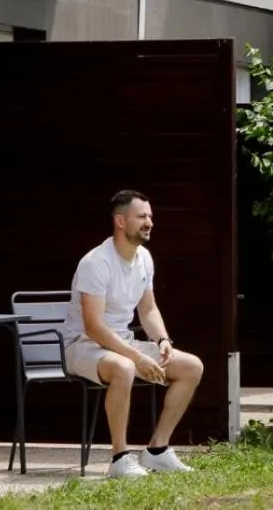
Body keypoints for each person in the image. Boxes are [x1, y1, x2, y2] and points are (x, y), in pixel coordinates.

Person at [61, 190, 204, 479]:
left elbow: (148, 309)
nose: (149, 222)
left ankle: (157, 451)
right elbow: (94, 327)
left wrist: (162, 341)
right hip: (83, 347)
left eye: (150, 216)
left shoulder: (144, 259)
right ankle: (120, 458)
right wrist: (138, 358)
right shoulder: (95, 262)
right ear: (120, 221)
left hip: (121, 344)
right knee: (124, 367)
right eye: (142, 216)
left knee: (191, 366)